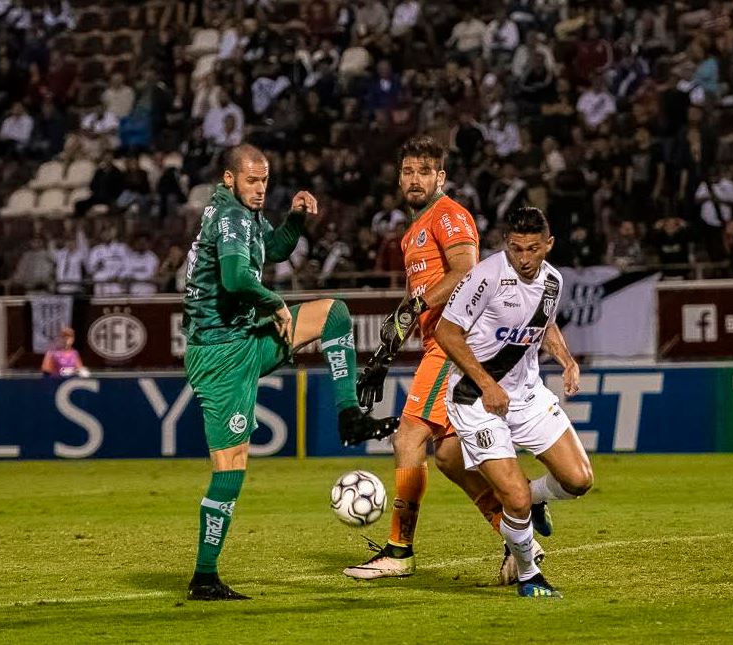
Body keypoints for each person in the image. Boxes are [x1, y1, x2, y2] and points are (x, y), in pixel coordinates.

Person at [183, 144, 398, 601]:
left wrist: (296, 219)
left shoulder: (243, 214)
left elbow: (274, 249)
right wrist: (275, 302)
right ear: (229, 179)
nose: (261, 190)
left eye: (265, 181)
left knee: (334, 315)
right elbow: (237, 277)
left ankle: (348, 413)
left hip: (246, 338)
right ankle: (204, 575)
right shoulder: (229, 218)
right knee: (232, 467)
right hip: (219, 355)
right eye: (252, 181)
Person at [346, 136, 527, 581]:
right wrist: (385, 355)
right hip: (438, 344)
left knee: (408, 438)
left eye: (424, 171)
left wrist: (414, 306)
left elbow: (466, 271)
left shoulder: (449, 215)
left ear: (440, 178)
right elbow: (416, 302)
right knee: (449, 457)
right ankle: (519, 538)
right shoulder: (412, 232)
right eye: (408, 171)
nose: (414, 179)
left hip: (455, 343)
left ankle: (399, 551)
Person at [433, 207, 595, 598]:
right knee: (515, 498)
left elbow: (545, 323)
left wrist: (567, 361)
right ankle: (528, 574)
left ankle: (535, 500)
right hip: (476, 398)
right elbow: (446, 332)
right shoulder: (486, 277)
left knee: (578, 480)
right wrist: (488, 385)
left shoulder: (553, 281)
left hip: (527, 394)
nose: (524, 258)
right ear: (507, 244)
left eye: (533, 249)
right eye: (516, 248)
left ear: (548, 245)